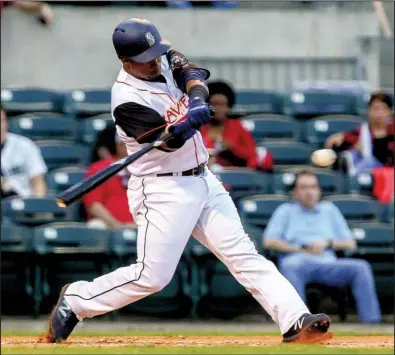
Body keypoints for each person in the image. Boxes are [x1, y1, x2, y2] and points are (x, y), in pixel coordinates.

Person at [44, 18, 331, 344]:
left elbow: (190, 71)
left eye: (156, 54)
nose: (155, 62)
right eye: (146, 59)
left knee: (242, 255)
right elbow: (167, 142)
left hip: (202, 178)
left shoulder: (158, 55)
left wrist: (196, 99)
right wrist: (184, 127)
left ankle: (295, 319)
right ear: (126, 62)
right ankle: (76, 301)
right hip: (161, 188)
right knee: (151, 277)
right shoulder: (126, 100)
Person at [263, 169, 381, 324]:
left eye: (313, 187)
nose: (309, 192)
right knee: (291, 266)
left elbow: (350, 244)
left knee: (361, 267)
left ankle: (371, 322)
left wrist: (328, 243)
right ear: (294, 192)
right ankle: (298, 323)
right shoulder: (285, 211)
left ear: (319, 190)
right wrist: (300, 249)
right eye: (304, 187)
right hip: (298, 262)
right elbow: (269, 241)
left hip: (328, 263)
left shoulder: (330, 210)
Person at [200, 81, 273, 172]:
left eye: (223, 105)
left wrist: (232, 148)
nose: (218, 109)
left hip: (233, 174)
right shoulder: (198, 126)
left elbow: (251, 154)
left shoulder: (237, 126)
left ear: (229, 106)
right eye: (214, 104)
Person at [325, 91, 394, 176]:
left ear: (390, 112)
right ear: (369, 111)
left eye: (383, 109)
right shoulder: (361, 132)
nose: (379, 113)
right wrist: (338, 138)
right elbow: (340, 141)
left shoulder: (392, 132)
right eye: (375, 109)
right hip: (366, 175)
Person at [83, 134, 135, 229]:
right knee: (96, 226)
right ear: (118, 145)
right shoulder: (100, 169)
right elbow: (94, 206)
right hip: (109, 226)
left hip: (142, 226)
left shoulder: (149, 170)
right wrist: (117, 226)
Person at [1, 104, 47, 198]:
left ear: (6, 122)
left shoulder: (24, 145)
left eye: (1, 121)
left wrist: (37, 206)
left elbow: (38, 183)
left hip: (23, 202)